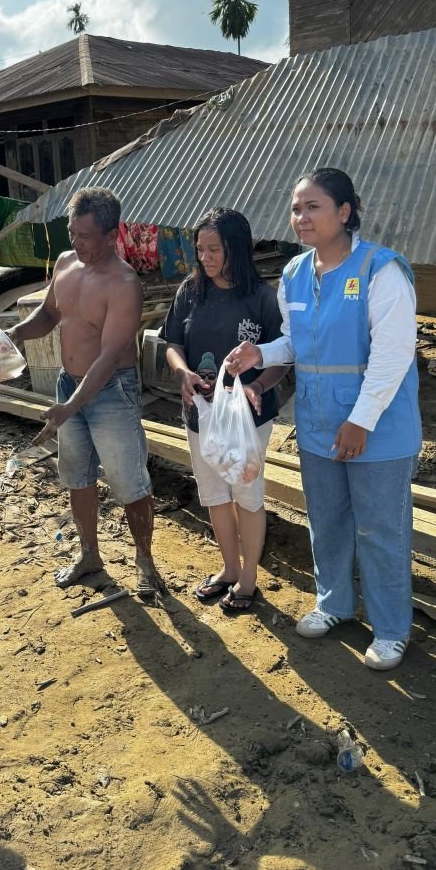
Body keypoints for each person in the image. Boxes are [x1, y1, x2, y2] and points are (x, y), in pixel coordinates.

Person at [226, 168, 421, 669]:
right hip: (316, 422)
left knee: (380, 528)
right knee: (327, 522)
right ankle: (334, 604)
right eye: (296, 208)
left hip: (377, 426)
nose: (301, 217)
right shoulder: (294, 273)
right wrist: (260, 354)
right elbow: (295, 343)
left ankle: (392, 628)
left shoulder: (382, 270)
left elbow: (393, 354)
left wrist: (361, 420)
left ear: (344, 212)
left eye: (313, 207)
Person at [6, 187, 164, 596]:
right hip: (68, 383)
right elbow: (50, 313)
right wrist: (14, 335)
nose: (76, 243)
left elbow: (111, 355)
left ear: (113, 235)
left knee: (129, 481)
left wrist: (70, 407)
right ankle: (90, 553)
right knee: (77, 477)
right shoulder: (64, 263)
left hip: (112, 391)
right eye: (72, 233)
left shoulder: (125, 284)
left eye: (86, 236)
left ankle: (145, 561)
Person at [162, 208, 287, 612]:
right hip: (202, 412)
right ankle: (229, 568)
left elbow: (283, 357)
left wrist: (257, 385)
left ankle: (249, 576)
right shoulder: (190, 292)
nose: (206, 258)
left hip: (249, 417)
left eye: (215, 249)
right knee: (215, 492)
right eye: (200, 249)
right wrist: (182, 374)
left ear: (236, 248)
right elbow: (173, 343)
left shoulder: (262, 298)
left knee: (247, 493)